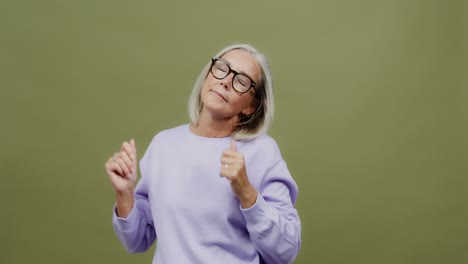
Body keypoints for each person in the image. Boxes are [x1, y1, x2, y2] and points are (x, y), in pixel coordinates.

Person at [105, 43, 301, 264]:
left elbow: (286, 250)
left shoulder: (262, 151)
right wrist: (125, 194)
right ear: (208, 75)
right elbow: (137, 241)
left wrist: (247, 193)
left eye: (242, 81)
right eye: (222, 68)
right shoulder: (164, 145)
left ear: (251, 106)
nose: (226, 81)